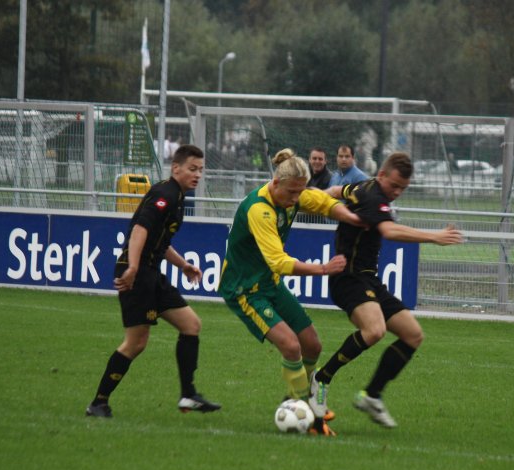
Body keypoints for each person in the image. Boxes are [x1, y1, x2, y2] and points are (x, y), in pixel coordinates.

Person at [309, 152, 463, 428]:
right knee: (375, 330)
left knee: (413, 335)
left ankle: (372, 395)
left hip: (369, 280)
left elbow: (335, 190)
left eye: (403, 188)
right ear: (381, 175)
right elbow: (389, 232)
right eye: (394, 186)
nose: (398, 193)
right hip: (347, 277)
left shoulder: (362, 187)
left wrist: (315, 196)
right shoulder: (372, 196)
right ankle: (322, 377)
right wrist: (435, 237)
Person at [218, 148, 364, 436]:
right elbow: (279, 261)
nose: (296, 198)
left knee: (312, 345)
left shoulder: (293, 193)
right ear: (275, 184)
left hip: (269, 284)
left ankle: (298, 399)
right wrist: (323, 269)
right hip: (244, 289)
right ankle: (307, 411)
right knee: (291, 345)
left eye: (300, 192)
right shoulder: (259, 210)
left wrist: (350, 217)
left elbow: (323, 202)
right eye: (292, 192)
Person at [86, 144, 220, 418]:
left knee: (191, 325)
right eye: (192, 169)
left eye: (201, 170)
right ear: (176, 168)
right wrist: (133, 267)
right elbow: (140, 229)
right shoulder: (165, 194)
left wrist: (183, 265)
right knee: (136, 343)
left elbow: (160, 242)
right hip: (137, 273)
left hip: (151, 273)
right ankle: (98, 402)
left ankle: (188, 395)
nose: (197, 175)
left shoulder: (178, 197)